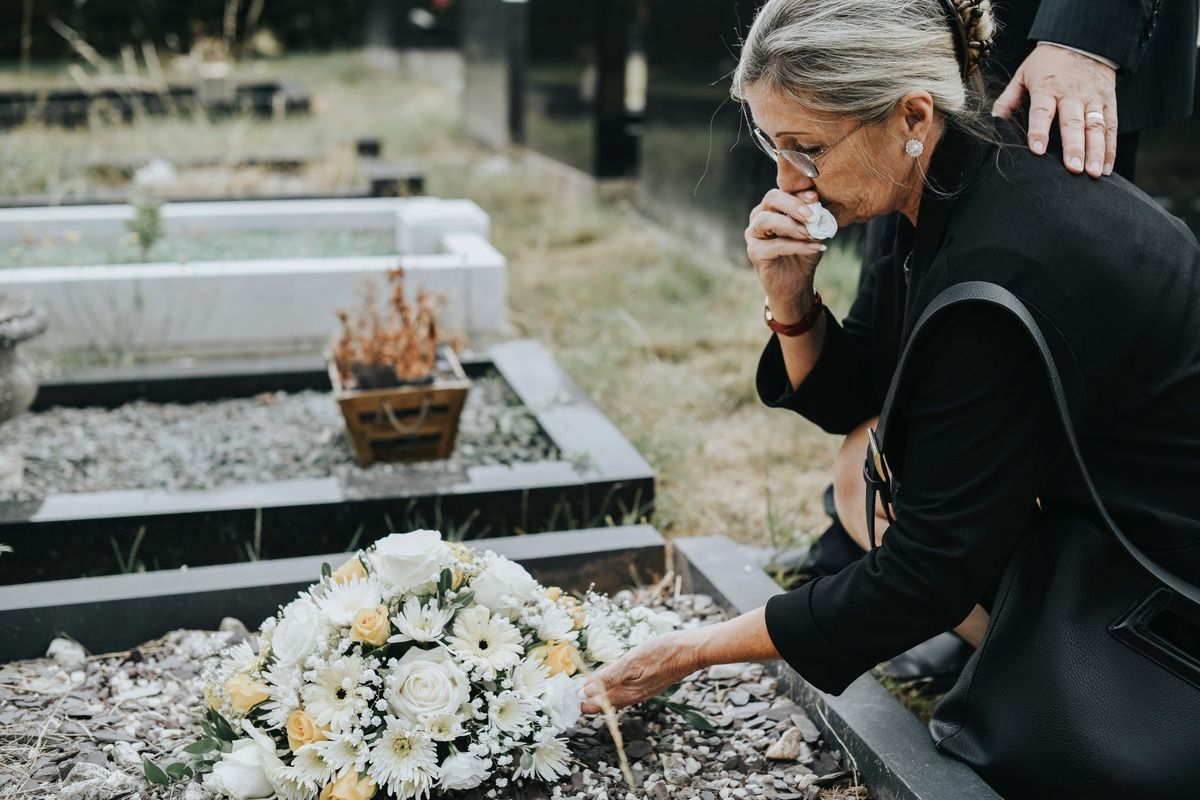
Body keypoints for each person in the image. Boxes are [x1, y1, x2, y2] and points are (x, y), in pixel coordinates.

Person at [581, 0, 1200, 793]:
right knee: (860, 469)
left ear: (910, 111)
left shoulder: (1008, 260)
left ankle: (1085, 684)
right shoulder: (935, 175)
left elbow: (924, 573)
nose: (789, 179)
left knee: (884, 495)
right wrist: (791, 299)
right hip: (1096, 514)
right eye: (773, 144)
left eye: (807, 147)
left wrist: (692, 650)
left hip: (1164, 581)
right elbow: (853, 397)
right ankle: (1015, 647)